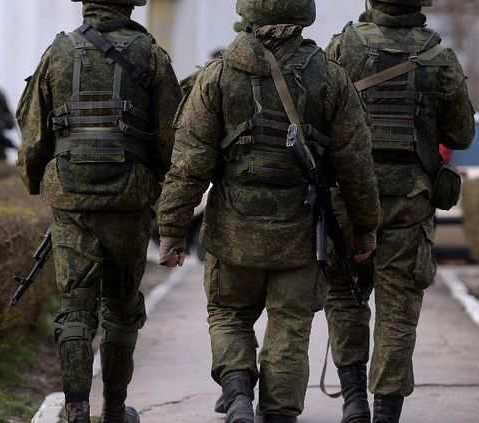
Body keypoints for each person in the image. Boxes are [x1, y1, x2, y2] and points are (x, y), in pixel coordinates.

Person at [156, 0, 382, 422]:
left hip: (231, 229)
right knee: (291, 325)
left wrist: (171, 229)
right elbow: (356, 165)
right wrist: (365, 228)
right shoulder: (329, 77)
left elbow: (188, 162)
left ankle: (238, 395)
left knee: (228, 314)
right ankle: (278, 413)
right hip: (299, 233)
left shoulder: (218, 75)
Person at [16, 0, 182, 421]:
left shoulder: (57, 52)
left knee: (76, 305)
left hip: (72, 201)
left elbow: (33, 131)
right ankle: (113, 408)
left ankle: (75, 408)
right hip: (128, 200)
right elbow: (173, 136)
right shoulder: (151, 55)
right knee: (122, 306)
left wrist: (38, 181)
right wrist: (162, 186)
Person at [323, 1, 475, 422]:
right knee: (398, 308)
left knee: (345, 297)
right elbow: (461, 133)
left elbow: (319, 118)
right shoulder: (440, 57)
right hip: (409, 202)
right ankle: (386, 412)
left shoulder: (343, 47)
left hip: (349, 200)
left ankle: (354, 401)